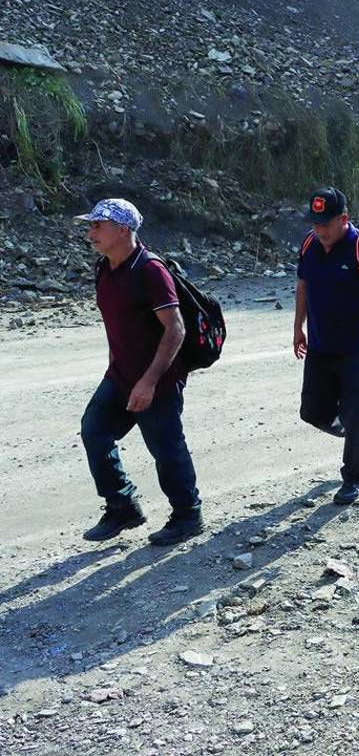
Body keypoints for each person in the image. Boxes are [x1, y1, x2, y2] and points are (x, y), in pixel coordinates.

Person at [78, 198, 204, 545]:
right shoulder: (104, 268)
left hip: (157, 379)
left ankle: (188, 515)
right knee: (94, 430)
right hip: (120, 375)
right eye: (90, 225)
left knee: (166, 448)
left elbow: (175, 329)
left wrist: (148, 382)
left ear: (122, 230)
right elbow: (116, 326)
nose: (90, 233)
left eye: (97, 225)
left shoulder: (150, 270)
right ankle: (122, 506)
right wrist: (115, 367)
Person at [294, 187, 359, 505]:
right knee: (312, 412)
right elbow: (303, 286)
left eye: (326, 223)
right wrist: (298, 327)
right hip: (321, 344)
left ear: (344, 219)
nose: (320, 230)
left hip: (358, 346)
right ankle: (358, 424)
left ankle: (354, 477)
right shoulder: (309, 244)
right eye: (315, 223)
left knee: (356, 412)